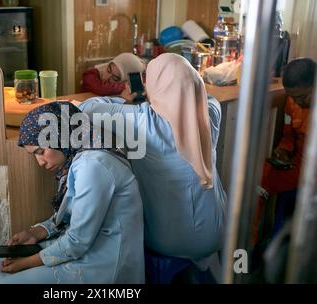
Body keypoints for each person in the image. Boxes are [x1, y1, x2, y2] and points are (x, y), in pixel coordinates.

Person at [79, 53, 226, 268]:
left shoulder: (142, 121)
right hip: (217, 231)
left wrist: (126, 99)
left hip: (166, 240)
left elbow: (88, 108)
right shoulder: (211, 113)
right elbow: (205, 96)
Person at [0, 102, 145, 284]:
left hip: (105, 263)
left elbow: (77, 241)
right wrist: (36, 232)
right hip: (86, 248)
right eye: (35, 155)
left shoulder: (92, 165)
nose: (40, 162)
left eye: (41, 151)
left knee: (3, 280)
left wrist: (27, 263)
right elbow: (69, 218)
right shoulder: (77, 159)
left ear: (61, 136)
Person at [253, 58, 316, 245]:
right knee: (258, 180)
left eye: (302, 97)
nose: (296, 102)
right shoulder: (293, 102)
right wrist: (283, 149)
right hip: (297, 164)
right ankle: (245, 251)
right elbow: (289, 134)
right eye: (292, 97)